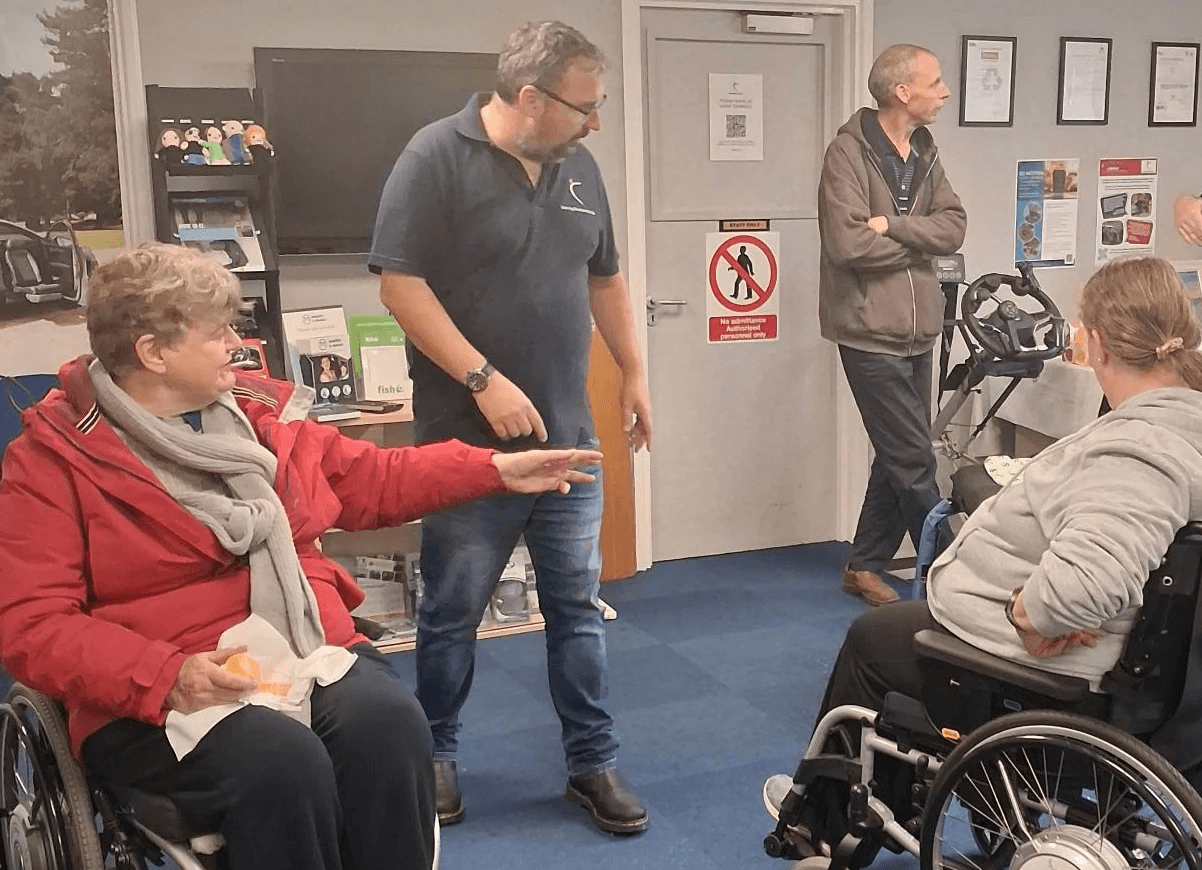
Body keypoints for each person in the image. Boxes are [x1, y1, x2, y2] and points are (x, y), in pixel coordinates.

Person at [0, 243, 605, 870]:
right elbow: (32, 625)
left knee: (392, 726)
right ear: (154, 352)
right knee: (282, 764)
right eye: (219, 333)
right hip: (161, 683)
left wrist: (494, 469)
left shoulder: (259, 416)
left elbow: (371, 479)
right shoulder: (54, 459)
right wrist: (166, 675)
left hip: (301, 644)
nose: (238, 344)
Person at [777, 257, 1202, 846]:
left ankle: (823, 828)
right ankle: (891, 803)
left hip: (1073, 680)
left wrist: (1023, 612)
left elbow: (1082, 589)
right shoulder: (1185, 424)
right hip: (1146, 668)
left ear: (1096, 344)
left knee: (875, 639)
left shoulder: (1139, 452)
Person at [368, 20, 651, 834]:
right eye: (584, 107)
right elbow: (399, 286)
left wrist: (634, 372)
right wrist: (483, 380)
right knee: (450, 613)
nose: (595, 123)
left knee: (577, 609)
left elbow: (606, 279)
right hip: (467, 447)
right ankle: (435, 753)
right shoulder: (433, 158)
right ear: (530, 98)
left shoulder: (579, 167)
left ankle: (591, 763)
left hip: (569, 440)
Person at [817, 44, 967, 606]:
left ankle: (864, 565)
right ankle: (949, 577)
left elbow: (953, 228)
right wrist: (916, 242)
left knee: (897, 450)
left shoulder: (925, 149)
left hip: (918, 330)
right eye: (935, 82)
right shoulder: (847, 155)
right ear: (902, 92)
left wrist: (894, 227)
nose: (944, 92)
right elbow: (849, 244)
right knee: (913, 457)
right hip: (867, 331)